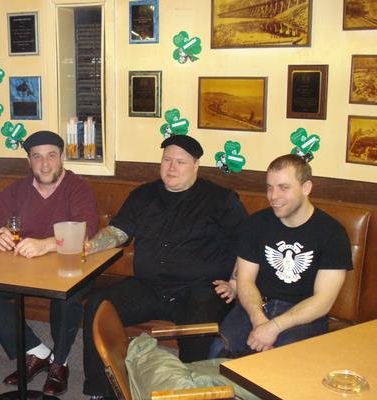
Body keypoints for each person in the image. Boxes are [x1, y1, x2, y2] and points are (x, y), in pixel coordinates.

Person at [82, 134, 248, 400]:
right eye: (167, 160)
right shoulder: (143, 195)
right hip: (149, 286)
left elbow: (247, 245)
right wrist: (92, 245)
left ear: (196, 166)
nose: (172, 168)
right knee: (98, 306)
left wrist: (236, 283)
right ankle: (101, 391)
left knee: (198, 326)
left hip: (200, 289)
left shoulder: (221, 199)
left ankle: (191, 392)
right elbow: (118, 231)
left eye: (180, 162)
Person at [0, 130, 98, 396]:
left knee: (66, 297)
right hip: (26, 271)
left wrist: (45, 244)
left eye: (51, 156)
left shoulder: (77, 187)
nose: (45, 164)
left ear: (61, 158)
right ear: (29, 161)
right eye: (37, 157)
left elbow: (85, 232)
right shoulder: (18, 189)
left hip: (72, 267)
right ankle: (37, 351)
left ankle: (59, 363)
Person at [209, 154, 352, 358]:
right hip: (256, 305)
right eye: (269, 187)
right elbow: (245, 280)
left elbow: (323, 301)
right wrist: (259, 320)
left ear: (306, 187)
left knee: (279, 360)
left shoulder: (332, 233)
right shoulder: (256, 224)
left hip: (303, 315)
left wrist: (274, 327)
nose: (273, 196)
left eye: (283, 187)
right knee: (218, 351)